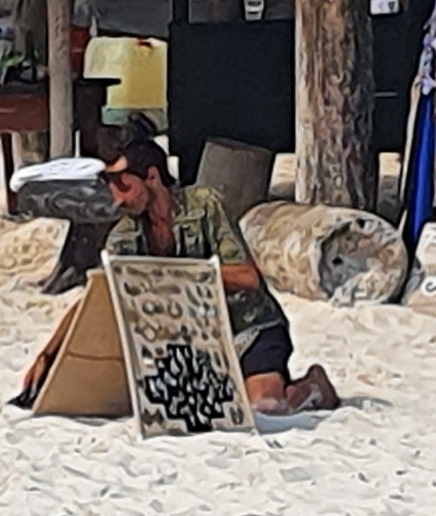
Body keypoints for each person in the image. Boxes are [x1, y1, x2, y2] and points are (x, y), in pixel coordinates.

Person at [90, 122, 339, 412]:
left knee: (266, 406)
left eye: (124, 186)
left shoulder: (205, 206)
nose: (117, 199)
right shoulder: (122, 237)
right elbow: (102, 291)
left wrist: (176, 277)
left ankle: (312, 386)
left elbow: (248, 278)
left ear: (152, 176)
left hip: (248, 326)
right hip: (191, 341)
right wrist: (50, 355)